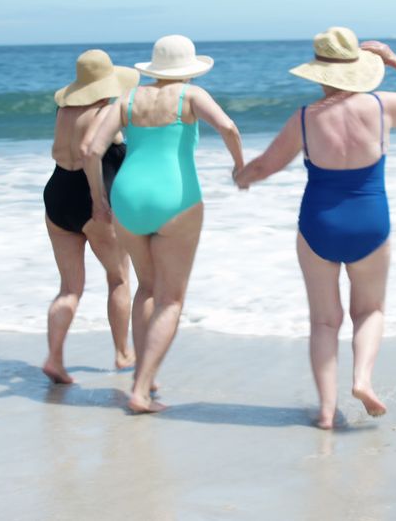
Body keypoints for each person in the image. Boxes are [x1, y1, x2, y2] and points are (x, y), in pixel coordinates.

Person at [234, 27, 396, 429]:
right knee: (370, 309)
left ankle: (327, 411)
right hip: (370, 222)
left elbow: (264, 165)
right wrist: (394, 59)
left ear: (318, 71)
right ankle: (362, 379)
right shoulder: (382, 107)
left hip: (319, 223)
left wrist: (242, 177)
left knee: (324, 321)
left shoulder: (305, 118)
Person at [86, 35, 246, 413]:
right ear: (189, 70)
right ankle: (141, 390)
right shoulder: (191, 97)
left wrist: (99, 199)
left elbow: (91, 148)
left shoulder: (126, 99)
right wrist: (241, 167)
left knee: (147, 288)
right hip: (176, 198)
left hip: (128, 197)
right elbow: (229, 128)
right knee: (171, 298)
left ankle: (147, 373)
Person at [41, 49, 139, 384]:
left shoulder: (63, 109)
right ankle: (123, 352)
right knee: (119, 279)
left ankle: (54, 358)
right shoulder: (106, 110)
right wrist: (99, 200)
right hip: (91, 199)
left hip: (57, 195)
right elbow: (89, 152)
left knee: (69, 287)